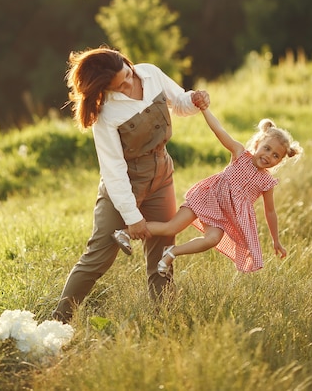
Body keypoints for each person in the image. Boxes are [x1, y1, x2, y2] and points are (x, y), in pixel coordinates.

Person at [52, 46, 209, 322]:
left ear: (126, 62)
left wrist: (194, 98)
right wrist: (132, 217)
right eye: (119, 86)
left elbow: (180, 103)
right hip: (124, 188)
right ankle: (57, 321)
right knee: (97, 258)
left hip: (161, 177)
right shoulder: (105, 113)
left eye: (127, 75)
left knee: (162, 252)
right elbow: (113, 170)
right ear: (104, 88)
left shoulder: (149, 73)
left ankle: (166, 318)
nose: (128, 84)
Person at [113, 108, 302, 275]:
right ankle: (124, 232)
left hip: (224, 215)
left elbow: (270, 212)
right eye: (267, 149)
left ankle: (172, 252)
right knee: (172, 227)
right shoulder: (240, 154)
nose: (268, 156)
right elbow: (219, 130)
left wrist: (275, 240)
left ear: (280, 161)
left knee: (212, 239)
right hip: (206, 197)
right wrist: (204, 109)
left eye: (275, 155)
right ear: (257, 143)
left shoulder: (267, 182)